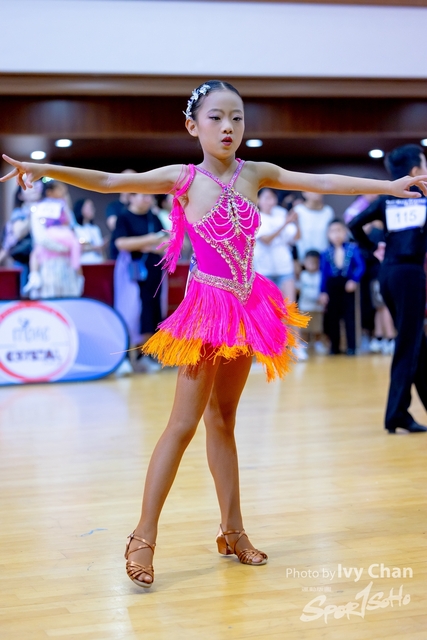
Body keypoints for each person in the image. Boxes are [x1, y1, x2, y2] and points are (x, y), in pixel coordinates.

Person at [2, 81, 426, 589]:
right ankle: (142, 535)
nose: (228, 127)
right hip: (206, 312)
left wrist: (388, 187)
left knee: (223, 420)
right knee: (182, 425)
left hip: (246, 309)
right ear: (192, 125)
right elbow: (111, 181)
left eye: (237, 117)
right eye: (216, 117)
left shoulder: (256, 173)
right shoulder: (183, 177)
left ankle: (233, 530)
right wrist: (46, 169)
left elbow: (322, 180)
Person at [349, 143, 427, 434]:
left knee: (417, 342)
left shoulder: (387, 200)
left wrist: (374, 249)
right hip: (410, 276)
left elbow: (354, 224)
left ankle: (402, 411)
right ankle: (396, 414)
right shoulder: (424, 199)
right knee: (409, 344)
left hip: (389, 275)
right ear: (416, 171)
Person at [114, 192, 167, 372]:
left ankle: (147, 354)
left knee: (152, 310)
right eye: (142, 195)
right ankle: (127, 356)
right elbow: (121, 243)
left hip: (154, 270)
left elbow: (167, 241)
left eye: (149, 196)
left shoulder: (154, 217)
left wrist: (148, 245)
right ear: (131, 197)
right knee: (131, 310)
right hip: (132, 272)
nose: (146, 199)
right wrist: (149, 240)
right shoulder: (124, 217)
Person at [319, 220, 365, 355]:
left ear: (345, 232)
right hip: (332, 285)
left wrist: (354, 280)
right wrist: (323, 291)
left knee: (350, 316)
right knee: (333, 317)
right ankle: (334, 347)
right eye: (333, 231)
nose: (336, 234)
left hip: (347, 284)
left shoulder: (352, 249)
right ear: (328, 235)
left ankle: (352, 347)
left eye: (339, 230)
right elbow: (323, 274)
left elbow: (360, 266)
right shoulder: (326, 253)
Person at [297, 250, 327, 354]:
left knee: (317, 327)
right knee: (304, 327)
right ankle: (303, 344)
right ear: (304, 263)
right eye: (309, 262)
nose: (312, 265)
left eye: (315, 263)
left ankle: (318, 343)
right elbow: (299, 289)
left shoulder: (321, 275)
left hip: (317, 307)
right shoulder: (303, 275)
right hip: (305, 307)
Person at [105, 169, 136, 259]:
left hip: (140, 253)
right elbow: (114, 225)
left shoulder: (144, 207)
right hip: (119, 253)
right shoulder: (113, 206)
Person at [294, 191, 335, 260]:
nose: (316, 193)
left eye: (318, 190)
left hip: (324, 257)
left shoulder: (328, 211)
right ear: (304, 193)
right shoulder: (298, 210)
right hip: (304, 257)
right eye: (312, 190)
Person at [74, 198, 106, 264]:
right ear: (81, 209)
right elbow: (76, 248)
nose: (93, 210)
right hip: (84, 264)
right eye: (89, 207)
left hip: (98, 263)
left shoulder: (95, 229)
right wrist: (94, 248)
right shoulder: (75, 229)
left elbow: (101, 249)